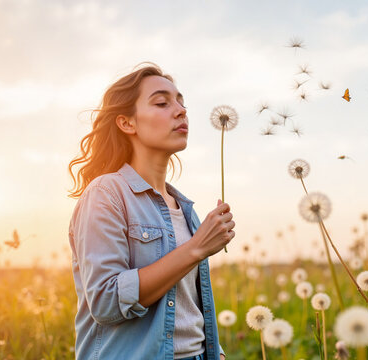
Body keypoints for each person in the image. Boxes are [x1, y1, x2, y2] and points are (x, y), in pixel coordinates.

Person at [67, 63, 234, 359]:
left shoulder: (186, 210)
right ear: (127, 123)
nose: (181, 110)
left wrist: (215, 352)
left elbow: (190, 307)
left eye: (181, 102)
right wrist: (196, 248)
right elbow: (106, 301)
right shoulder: (105, 194)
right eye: (162, 103)